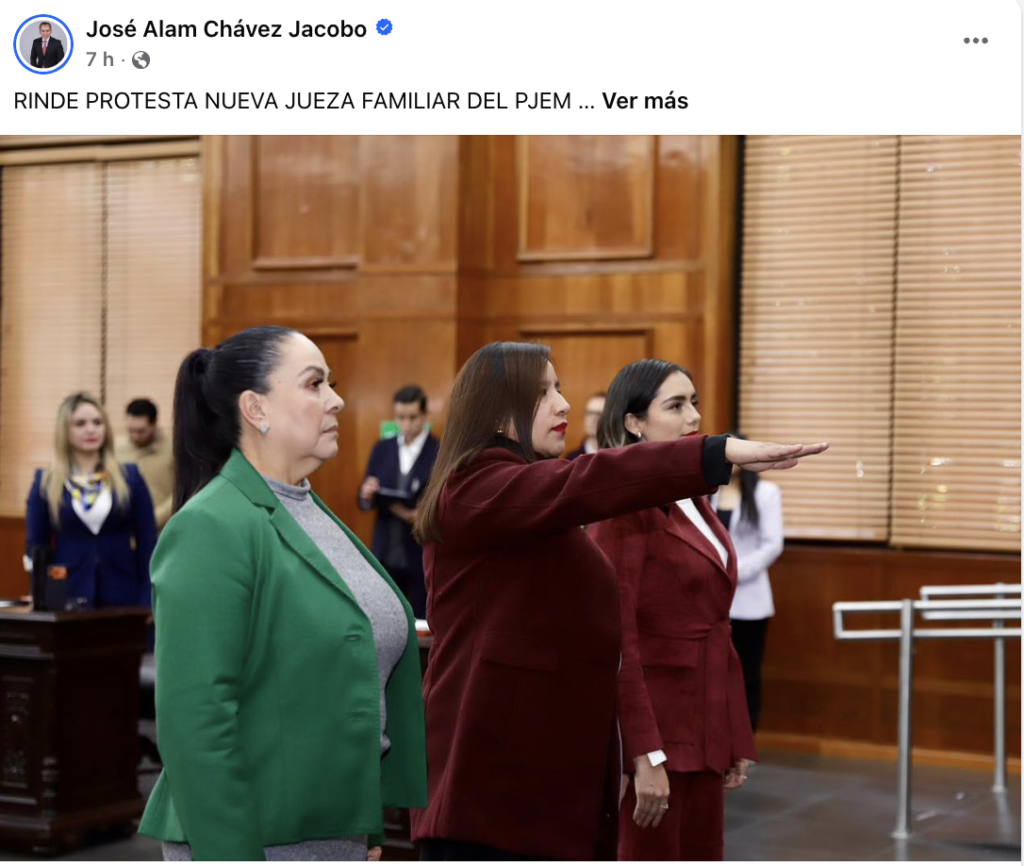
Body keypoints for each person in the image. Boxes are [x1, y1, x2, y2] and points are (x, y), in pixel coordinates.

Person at [408, 342, 826, 861]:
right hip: (488, 791)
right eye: (543, 393)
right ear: (496, 412)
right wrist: (714, 453)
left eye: (558, 388)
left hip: (530, 784)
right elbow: (592, 477)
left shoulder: (519, 491)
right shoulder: (478, 487)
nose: (563, 403)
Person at [137, 326, 427, 861]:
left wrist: (367, 830)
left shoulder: (309, 510)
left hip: (333, 827)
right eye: (315, 384)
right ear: (256, 408)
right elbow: (195, 722)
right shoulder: (211, 524)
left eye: (330, 383)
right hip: (252, 834)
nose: (336, 400)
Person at [589, 360, 758, 861]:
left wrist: (732, 730)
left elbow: (716, 626)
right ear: (633, 422)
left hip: (703, 719)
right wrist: (644, 753)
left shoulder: (690, 494)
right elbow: (618, 639)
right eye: (676, 405)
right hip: (658, 730)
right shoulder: (622, 505)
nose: (694, 417)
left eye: (695, 403)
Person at [25, 392, 156, 609]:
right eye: (80, 423)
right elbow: (36, 545)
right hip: (65, 594)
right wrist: (38, 594)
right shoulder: (45, 481)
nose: (91, 429)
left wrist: (148, 598)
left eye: (97, 422)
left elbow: (148, 542)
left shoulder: (130, 477)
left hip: (124, 593)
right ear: (64, 431)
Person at [710, 434, 784, 733]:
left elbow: (772, 544)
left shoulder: (766, 493)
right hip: (712, 599)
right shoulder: (708, 491)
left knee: (747, 674)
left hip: (749, 600)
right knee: (714, 673)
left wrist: (734, 571)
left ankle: (746, 738)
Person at [358, 385, 439, 618]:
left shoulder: (439, 451)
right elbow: (364, 498)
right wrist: (366, 493)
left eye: (412, 417)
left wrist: (425, 516)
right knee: (384, 619)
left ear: (424, 415)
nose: (406, 424)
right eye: (400, 418)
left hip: (420, 557)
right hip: (385, 552)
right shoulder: (383, 448)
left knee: (421, 621)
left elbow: (445, 503)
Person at [115, 398, 175, 529]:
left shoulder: (173, 451)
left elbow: (181, 491)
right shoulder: (116, 450)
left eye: (141, 431)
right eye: (131, 430)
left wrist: (153, 519)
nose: (135, 436)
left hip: (163, 528)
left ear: (154, 423)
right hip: (126, 529)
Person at [564, 391, 605, 460]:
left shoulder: (617, 458)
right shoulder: (572, 460)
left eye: (599, 414)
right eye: (590, 413)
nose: (593, 419)